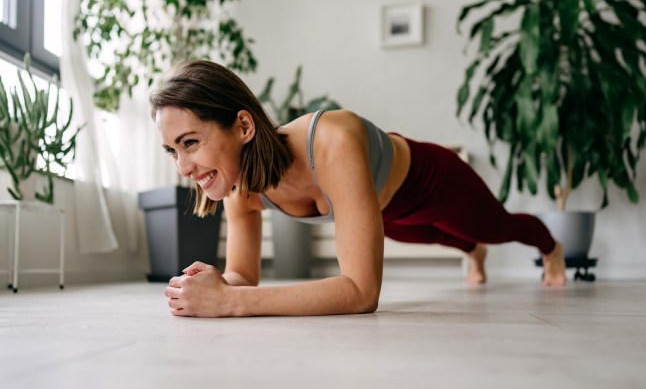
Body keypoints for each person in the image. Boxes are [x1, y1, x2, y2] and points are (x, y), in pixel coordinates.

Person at [153, 60, 567, 318]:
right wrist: (213, 286)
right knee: (438, 236)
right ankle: (472, 251)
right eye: (172, 150)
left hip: (431, 180)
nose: (183, 167)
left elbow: (361, 292)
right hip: (386, 213)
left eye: (191, 142)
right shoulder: (238, 187)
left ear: (243, 126)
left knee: (493, 226)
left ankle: (552, 249)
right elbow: (243, 274)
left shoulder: (331, 139)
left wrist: (229, 303)